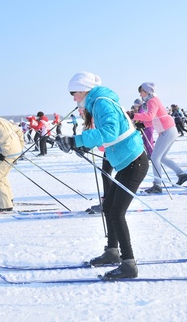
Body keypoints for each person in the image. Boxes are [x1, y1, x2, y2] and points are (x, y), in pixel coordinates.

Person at [56, 71, 149, 280]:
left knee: (117, 212)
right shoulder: (97, 102)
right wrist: (82, 145)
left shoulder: (101, 103)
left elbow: (110, 132)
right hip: (126, 161)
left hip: (134, 162)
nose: (73, 98)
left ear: (84, 89)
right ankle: (112, 253)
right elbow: (109, 136)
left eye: (74, 93)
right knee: (108, 207)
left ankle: (128, 264)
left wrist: (77, 140)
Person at [131, 82, 187, 194]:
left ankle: (157, 185)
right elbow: (156, 119)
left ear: (147, 91)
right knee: (162, 158)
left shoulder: (152, 101)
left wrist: (133, 116)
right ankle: (182, 175)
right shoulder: (153, 100)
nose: (140, 95)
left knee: (154, 158)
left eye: (141, 92)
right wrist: (143, 125)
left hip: (167, 131)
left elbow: (150, 116)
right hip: (169, 130)